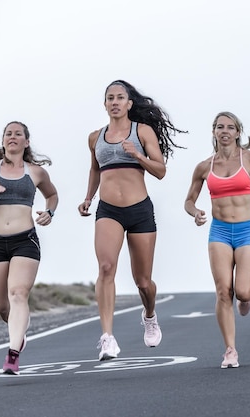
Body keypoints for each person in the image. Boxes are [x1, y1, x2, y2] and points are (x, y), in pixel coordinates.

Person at [78, 80, 185, 361]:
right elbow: (94, 169)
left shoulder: (142, 131)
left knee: (143, 281)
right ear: (104, 104)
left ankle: (149, 315)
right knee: (105, 267)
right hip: (108, 210)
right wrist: (89, 197)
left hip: (139, 210)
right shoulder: (95, 137)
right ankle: (107, 338)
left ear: (129, 103)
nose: (114, 102)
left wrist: (137, 154)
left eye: (120, 97)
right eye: (110, 98)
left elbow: (161, 170)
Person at [184, 111, 250, 368]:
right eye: (219, 127)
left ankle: (247, 297)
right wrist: (195, 212)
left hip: (248, 230)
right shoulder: (205, 167)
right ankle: (230, 350)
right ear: (214, 132)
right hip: (219, 231)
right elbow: (189, 200)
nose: (224, 131)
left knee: (242, 291)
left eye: (230, 127)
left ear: (238, 132)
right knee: (222, 291)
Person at [0, 121, 59, 374]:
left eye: (18, 134)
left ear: (26, 142)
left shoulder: (36, 172)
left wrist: (49, 212)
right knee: (2, 306)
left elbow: (52, 195)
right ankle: (18, 331)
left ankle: (13, 353)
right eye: (9, 133)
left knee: (18, 293)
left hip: (24, 240)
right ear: (3, 140)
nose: (13, 137)